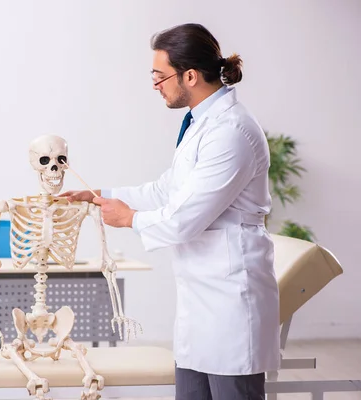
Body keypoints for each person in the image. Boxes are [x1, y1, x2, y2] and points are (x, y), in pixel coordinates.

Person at [60, 23, 280, 399]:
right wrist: (100, 194)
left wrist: (128, 218)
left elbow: (186, 216)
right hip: (202, 300)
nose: (155, 85)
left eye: (160, 76)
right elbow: (168, 189)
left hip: (230, 300)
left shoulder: (231, 131)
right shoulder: (200, 123)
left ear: (190, 76)